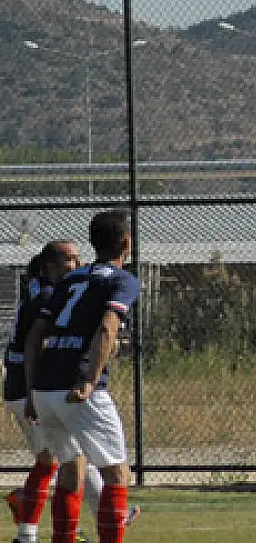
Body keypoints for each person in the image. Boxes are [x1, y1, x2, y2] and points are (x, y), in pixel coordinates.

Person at [23, 210, 140, 543]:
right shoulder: (123, 280)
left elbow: (35, 337)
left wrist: (32, 393)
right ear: (126, 243)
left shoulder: (72, 279)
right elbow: (107, 327)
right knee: (116, 473)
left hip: (45, 390)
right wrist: (90, 379)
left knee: (71, 470)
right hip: (79, 390)